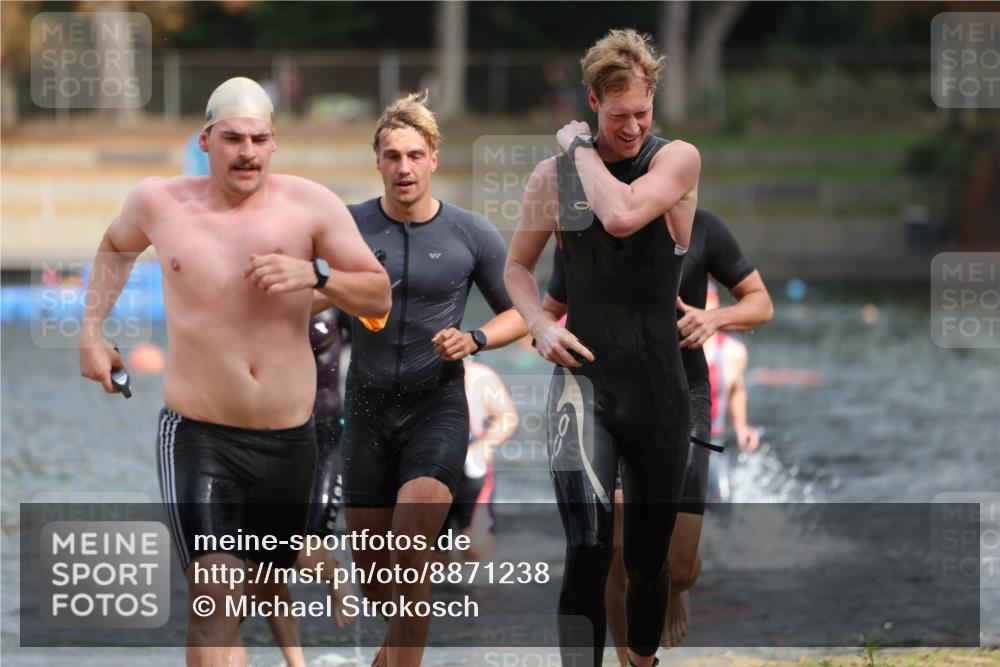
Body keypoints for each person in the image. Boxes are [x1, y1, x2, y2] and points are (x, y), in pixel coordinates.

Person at [78, 77, 391, 667]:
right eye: (232, 139)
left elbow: (378, 296)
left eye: (259, 139)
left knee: (261, 588)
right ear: (205, 140)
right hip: (201, 436)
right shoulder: (159, 202)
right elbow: (116, 247)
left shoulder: (312, 206)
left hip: (290, 443)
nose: (247, 152)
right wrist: (92, 331)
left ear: (275, 142)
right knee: (215, 600)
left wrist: (316, 276)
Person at [504, 29, 701, 667]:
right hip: (582, 388)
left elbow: (621, 215)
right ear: (593, 101)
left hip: (658, 391)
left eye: (643, 112)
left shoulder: (677, 161)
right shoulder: (549, 179)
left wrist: (578, 150)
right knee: (588, 548)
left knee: (648, 562)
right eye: (619, 115)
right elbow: (516, 269)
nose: (634, 127)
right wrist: (539, 324)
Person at [319, 92, 527, 667]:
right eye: (392, 156)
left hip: (437, 407)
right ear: (377, 161)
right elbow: (308, 292)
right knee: (376, 582)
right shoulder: (348, 225)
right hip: (365, 409)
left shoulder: (470, 232)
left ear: (434, 157)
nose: (404, 167)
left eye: (414, 155)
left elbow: (520, 312)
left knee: (411, 555)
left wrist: (475, 338)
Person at [545, 208, 773, 660]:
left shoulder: (702, 228)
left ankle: (675, 588)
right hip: (604, 397)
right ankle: (631, 659)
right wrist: (546, 335)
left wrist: (715, 319)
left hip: (680, 394)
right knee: (615, 549)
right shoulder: (587, 227)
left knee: (677, 567)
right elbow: (551, 309)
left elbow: (760, 304)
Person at [439, 358, 519, 562]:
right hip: (430, 466)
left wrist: (483, 446)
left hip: (471, 467)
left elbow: (507, 416)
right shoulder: (416, 370)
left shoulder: (479, 375)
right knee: (432, 556)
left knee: (475, 548)